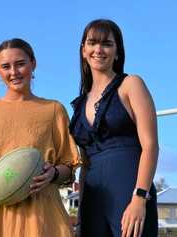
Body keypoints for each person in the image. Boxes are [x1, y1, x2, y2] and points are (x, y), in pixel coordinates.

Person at [0, 38, 80, 237]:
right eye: (6, 66)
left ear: (33, 63)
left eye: (20, 64)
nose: (14, 72)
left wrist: (53, 173)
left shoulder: (53, 109)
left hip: (40, 212)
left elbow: (68, 166)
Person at [69, 19, 158, 237]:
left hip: (129, 192)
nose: (98, 49)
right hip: (92, 201)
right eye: (92, 43)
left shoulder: (131, 85)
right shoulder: (79, 105)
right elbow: (85, 163)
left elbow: (151, 146)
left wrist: (139, 197)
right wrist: (81, 215)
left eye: (107, 44)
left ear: (117, 52)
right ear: (83, 50)